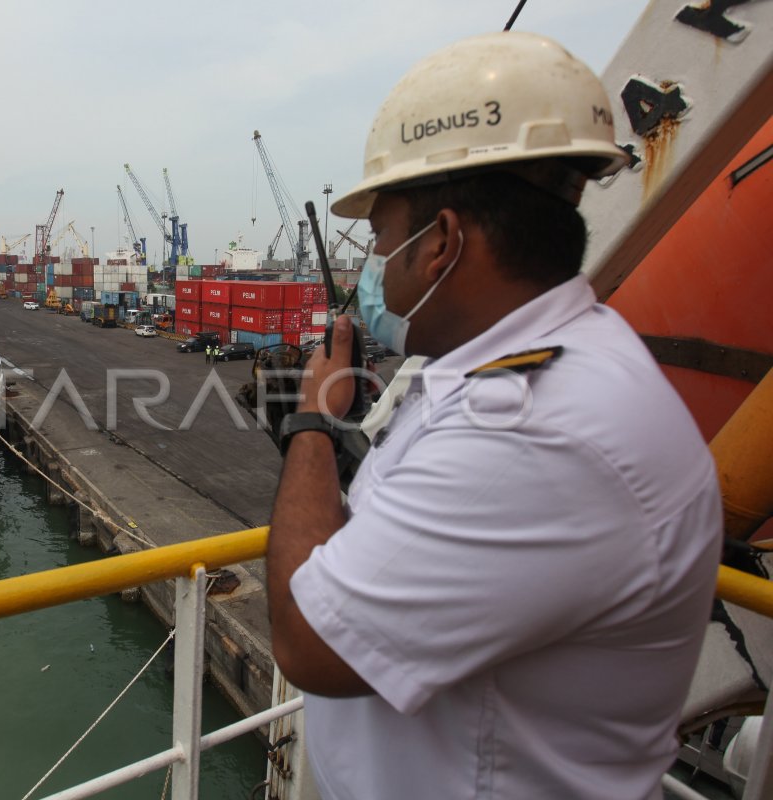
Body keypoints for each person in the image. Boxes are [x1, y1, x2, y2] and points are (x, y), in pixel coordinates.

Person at [266, 31, 722, 800]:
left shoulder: (534, 431)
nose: (368, 269)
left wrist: (312, 422)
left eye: (378, 239)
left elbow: (308, 644)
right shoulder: (534, 369)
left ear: (440, 242)